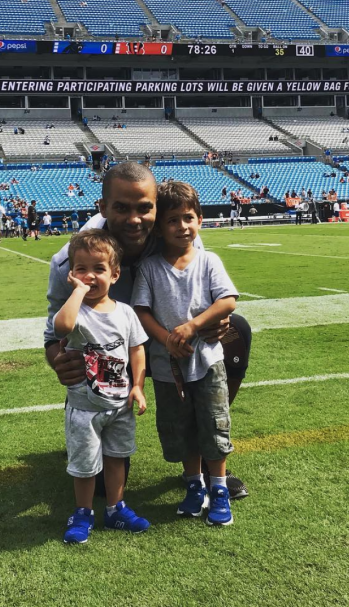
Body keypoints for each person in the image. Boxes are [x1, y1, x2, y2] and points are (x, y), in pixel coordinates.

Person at [44, 162, 251, 500]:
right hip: (108, 354)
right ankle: (90, 433)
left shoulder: (176, 235)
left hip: (172, 344)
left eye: (145, 208)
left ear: (156, 205)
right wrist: (56, 356)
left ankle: (205, 446)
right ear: (103, 207)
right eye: (121, 208)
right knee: (99, 486)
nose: (134, 219)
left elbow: (206, 296)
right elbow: (53, 330)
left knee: (236, 332)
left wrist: (215, 321)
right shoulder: (71, 261)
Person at [132, 181, 238, 526]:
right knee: (181, 427)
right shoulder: (149, 267)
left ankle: (218, 488)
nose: (182, 227)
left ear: (201, 220)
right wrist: (165, 338)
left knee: (214, 424)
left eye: (188, 218)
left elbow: (227, 300)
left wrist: (191, 327)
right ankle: (194, 485)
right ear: (159, 228)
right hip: (167, 368)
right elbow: (141, 312)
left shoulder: (209, 261)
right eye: (173, 220)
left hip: (208, 362)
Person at [54, 230, 150, 543]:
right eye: (81, 269)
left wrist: (138, 386)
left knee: (116, 458)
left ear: (115, 273)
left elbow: (136, 350)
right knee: (84, 466)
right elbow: (61, 327)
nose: (90, 276)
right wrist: (78, 292)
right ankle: (82, 512)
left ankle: (115, 508)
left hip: (120, 405)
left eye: (98, 269)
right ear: (71, 274)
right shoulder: (76, 311)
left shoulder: (126, 312)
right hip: (85, 408)